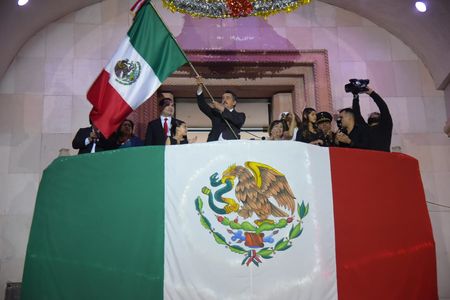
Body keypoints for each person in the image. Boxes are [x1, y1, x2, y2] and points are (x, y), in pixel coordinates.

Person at [196, 77, 246, 142]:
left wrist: (222, 109)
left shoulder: (240, 115)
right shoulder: (216, 113)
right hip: (213, 145)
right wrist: (200, 87)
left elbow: (238, 122)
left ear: (234, 102)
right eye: (223, 98)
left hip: (230, 146)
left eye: (227, 98)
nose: (224, 100)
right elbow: (202, 105)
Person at [352, 87, 393, 152]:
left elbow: (383, 107)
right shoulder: (365, 129)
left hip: (384, 159)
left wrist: (371, 93)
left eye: (376, 113)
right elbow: (357, 115)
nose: (373, 113)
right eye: (372, 114)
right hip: (370, 160)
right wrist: (355, 96)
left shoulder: (385, 127)